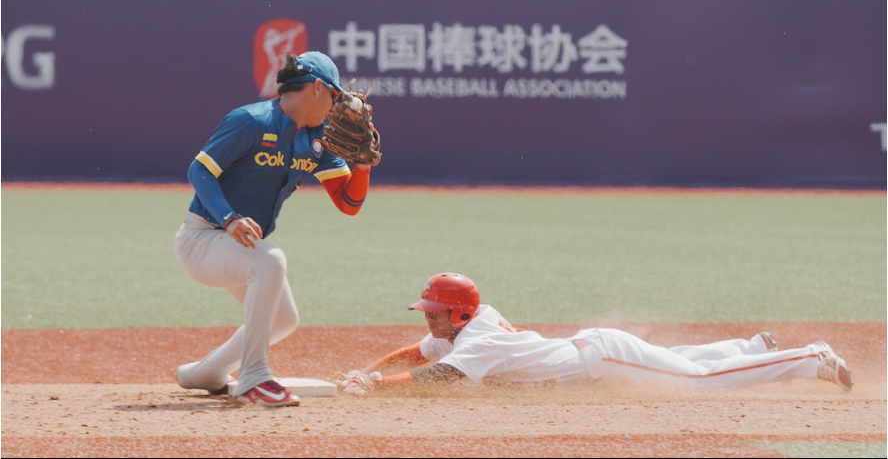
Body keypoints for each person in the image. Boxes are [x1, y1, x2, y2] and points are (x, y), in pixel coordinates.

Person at [174, 51, 375, 407]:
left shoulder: (318, 139)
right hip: (203, 239)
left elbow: (349, 204)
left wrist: (361, 165)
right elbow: (199, 171)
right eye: (334, 95)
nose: (337, 107)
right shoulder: (251, 120)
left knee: (283, 320)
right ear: (317, 87)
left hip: (243, 246)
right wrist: (229, 217)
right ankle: (254, 376)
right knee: (271, 261)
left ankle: (202, 374)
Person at [339, 273, 853, 395]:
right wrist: (372, 370)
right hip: (596, 351)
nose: (428, 318)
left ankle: (810, 358)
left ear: (459, 314)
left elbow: (443, 373)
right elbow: (418, 351)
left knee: (696, 382)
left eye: (435, 311)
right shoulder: (471, 320)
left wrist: (378, 388)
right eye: (428, 310)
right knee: (670, 360)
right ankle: (750, 349)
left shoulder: (478, 341)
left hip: (600, 358)